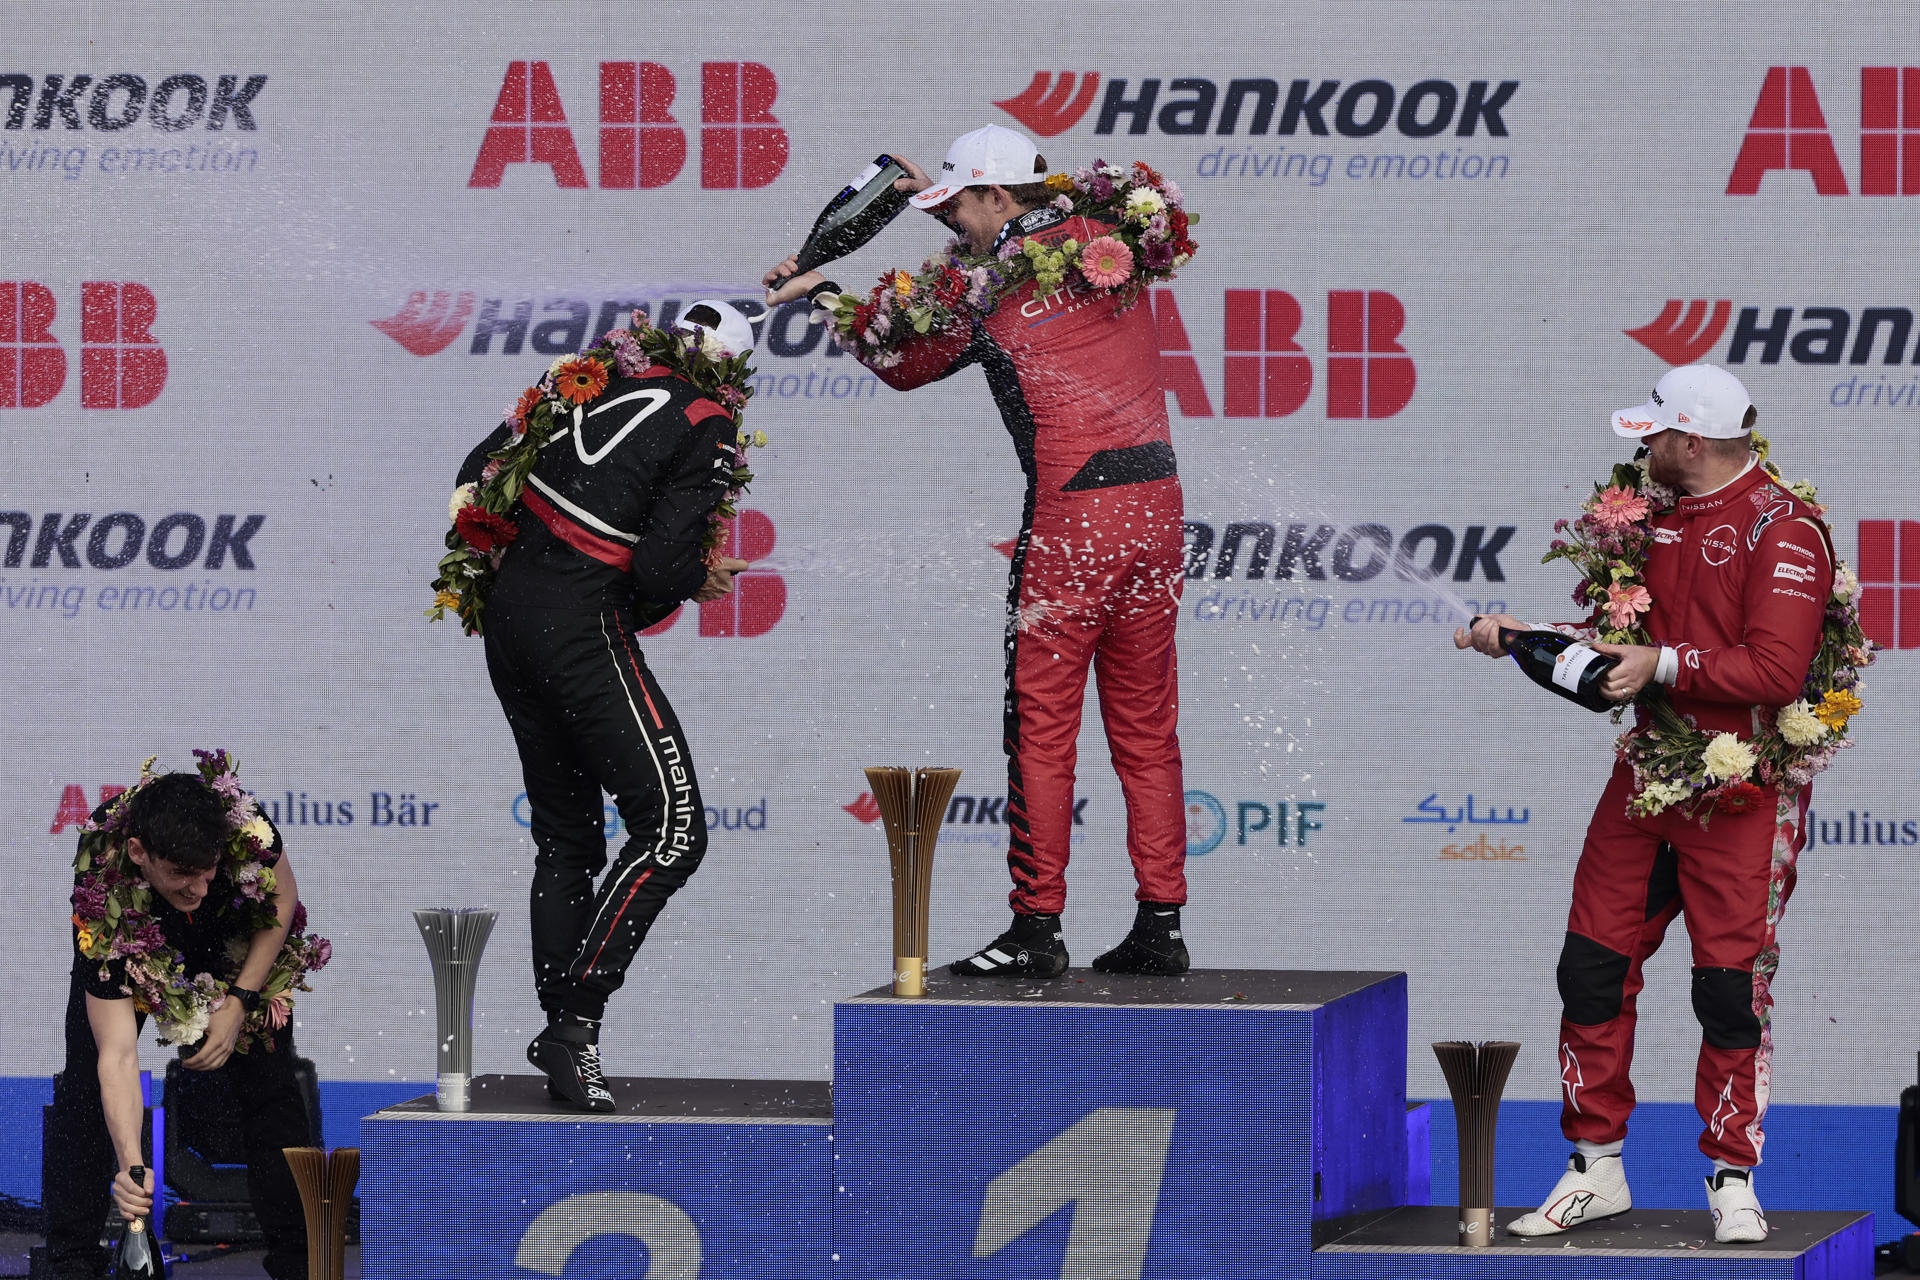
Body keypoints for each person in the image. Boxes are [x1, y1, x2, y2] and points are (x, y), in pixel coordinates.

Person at [765, 125, 1190, 981]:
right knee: (1147, 727)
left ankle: (1036, 928)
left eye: (959, 206)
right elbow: (1020, 244)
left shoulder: (981, 292)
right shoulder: (1116, 237)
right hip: (1159, 510)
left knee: (1042, 728)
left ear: (996, 195)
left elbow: (901, 358)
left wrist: (822, 293)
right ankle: (1161, 925)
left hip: (1074, 518)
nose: (954, 223)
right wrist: (942, 208)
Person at [1456, 364, 1834, 1243]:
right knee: (1591, 965)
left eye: (1652, 434)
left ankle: (1732, 1178)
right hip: (1646, 780)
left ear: (1691, 441)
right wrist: (1523, 637)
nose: (1641, 447)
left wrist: (1661, 663)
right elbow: (1619, 647)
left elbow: (1777, 671)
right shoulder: (1648, 518)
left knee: (1728, 990)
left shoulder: (1784, 529)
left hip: (1743, 791)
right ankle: (1596, 1166)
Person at [457, 301, 755, 1111]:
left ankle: (565, 1038)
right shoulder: (708, 420)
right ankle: (574, 1021)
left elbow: (474, 477)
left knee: (567, 840)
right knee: (674, 831)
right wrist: (698, 575)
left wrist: (528, 551)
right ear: (729, 370)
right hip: (580, 631)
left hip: (509, 623)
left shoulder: (584, 378)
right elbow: (658, 570)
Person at [47, 771, 312, 1280]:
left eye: (207, 870)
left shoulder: (246, 827)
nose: (197, 887)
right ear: (139, 852)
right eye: (182, 873)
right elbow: (118, 1055)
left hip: (231, 930)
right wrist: (131, 1166)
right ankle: (71, 1262)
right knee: (84, 1084)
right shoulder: (102, 876)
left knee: (272, 1087)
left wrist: (239, 1001)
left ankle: (299, 1261)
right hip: (136, 933)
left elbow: (283, 898)